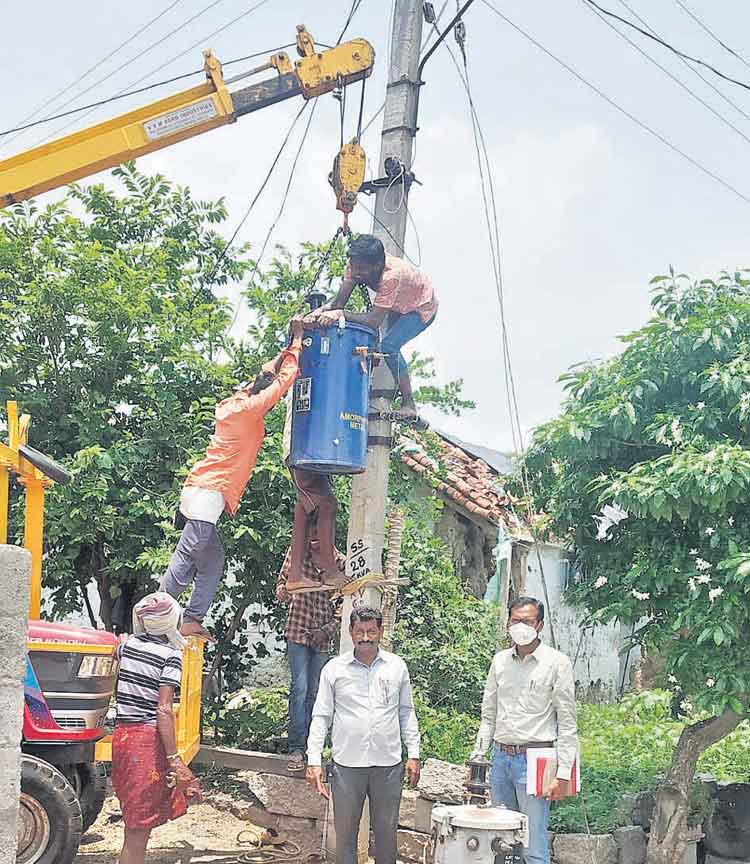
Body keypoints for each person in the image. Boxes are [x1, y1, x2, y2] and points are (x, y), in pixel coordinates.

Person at [160, 320, 304, 638]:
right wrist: (296, 344)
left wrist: (281, 353)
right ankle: (158, 615)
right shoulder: (250, 409)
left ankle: (191, 618)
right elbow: (284, 380)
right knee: (188, 554)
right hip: (209, 494)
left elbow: (266, 375)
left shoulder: (234, 402)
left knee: (212, 559)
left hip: (200, 491)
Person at [306, 606, 421, 864]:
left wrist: (413, 754)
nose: (365, 637)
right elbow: (321, 716)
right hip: (347, 766)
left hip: (388, 766)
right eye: (360, 631)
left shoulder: (396, 667)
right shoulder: (334, 669)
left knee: (386, 836)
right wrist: (313, 760)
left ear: (380, 631)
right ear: (350, 632)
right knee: (345, 836)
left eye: (371, 631)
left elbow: (406, 712)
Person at [473, 596, 578, 864]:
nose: (521, 626)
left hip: (536, 762)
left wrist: (563, 773)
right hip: (500, 760)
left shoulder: (557, 663)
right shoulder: (499, 662)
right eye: (516, 620)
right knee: (500, 841)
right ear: (508, 622)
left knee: (533, 844)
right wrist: (478, 755)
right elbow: (489, 714)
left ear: (539, 625)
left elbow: (567, 723)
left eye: (527, 621)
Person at [111, 592, 201, 864]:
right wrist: (175, 758)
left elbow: (120, 649)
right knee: (138, 830)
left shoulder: (127, 646)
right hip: (145, 741)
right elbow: (163, 709)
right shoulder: (170, 655)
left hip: (122, 738)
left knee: (133, 821)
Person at [311, 234, 437, 422]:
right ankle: (390, 391)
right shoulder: (356, 266)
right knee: (380, 348)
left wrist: (341, 315)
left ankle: (409, 404)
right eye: (353, 266)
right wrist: (319, 312)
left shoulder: (391, 276)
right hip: (400, 301)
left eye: (361, 269)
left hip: (421, 306)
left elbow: (373, 320)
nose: (355, 273)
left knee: (389, 347)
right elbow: (338, 303)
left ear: (376, 266)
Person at [276, 544, 345, 771]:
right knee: (300, 689)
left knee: (317, 691)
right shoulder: (296, 553)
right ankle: (296, 748)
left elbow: (346, 602)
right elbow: (281, 587)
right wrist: (283, 592)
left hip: (322, 635)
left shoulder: (338, 561)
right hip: (298, 629)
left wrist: (326, 630)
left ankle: (312, 748)